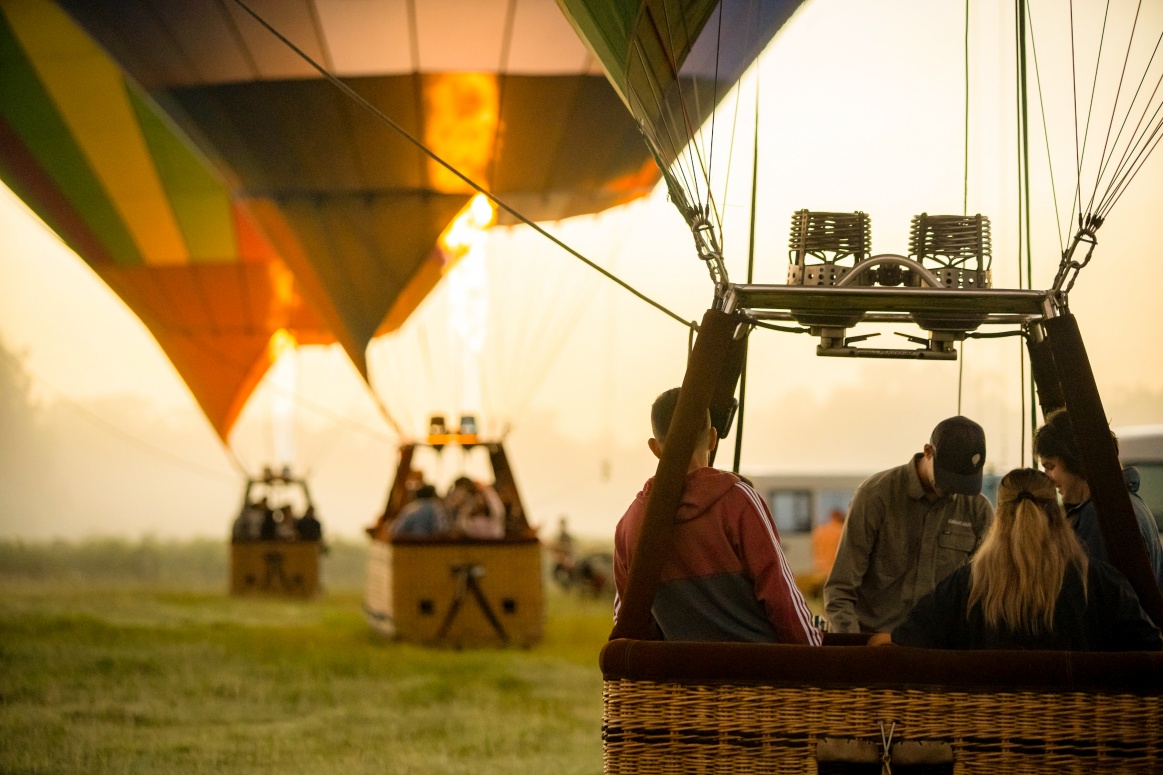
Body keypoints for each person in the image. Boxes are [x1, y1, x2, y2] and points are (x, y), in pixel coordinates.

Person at [613, 388, 821, 644]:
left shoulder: (630, 523)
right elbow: (781, 597)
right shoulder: (738, 501)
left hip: (680, 678)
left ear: (655, 448)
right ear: (712, 438)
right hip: (758, 674)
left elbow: (628, 621)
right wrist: (814, 656)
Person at [873, 468, 1161, 650]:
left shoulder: (965, 586)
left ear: (1000, 517)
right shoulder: (1098, 583)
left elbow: (906, 642)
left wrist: (877, 641)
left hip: (984, 737)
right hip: (1080, 736)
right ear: (1057, 514)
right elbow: (1149, 647)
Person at [824, 416, 994, 633]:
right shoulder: (875, 497)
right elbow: (840, 591)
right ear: (928, 452)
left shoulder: (978, 511)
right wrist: (855, 650)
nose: (954, 489)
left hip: (943, 652)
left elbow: (987, 593)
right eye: (948, 478)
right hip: (875, 647)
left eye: (963, 482)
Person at [1034, 409, 1163, 591]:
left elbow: (1091, 598)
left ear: (1075, 460)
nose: (1047, 477)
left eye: (1050, 466)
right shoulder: (1127, 502)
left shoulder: (1099, 517)